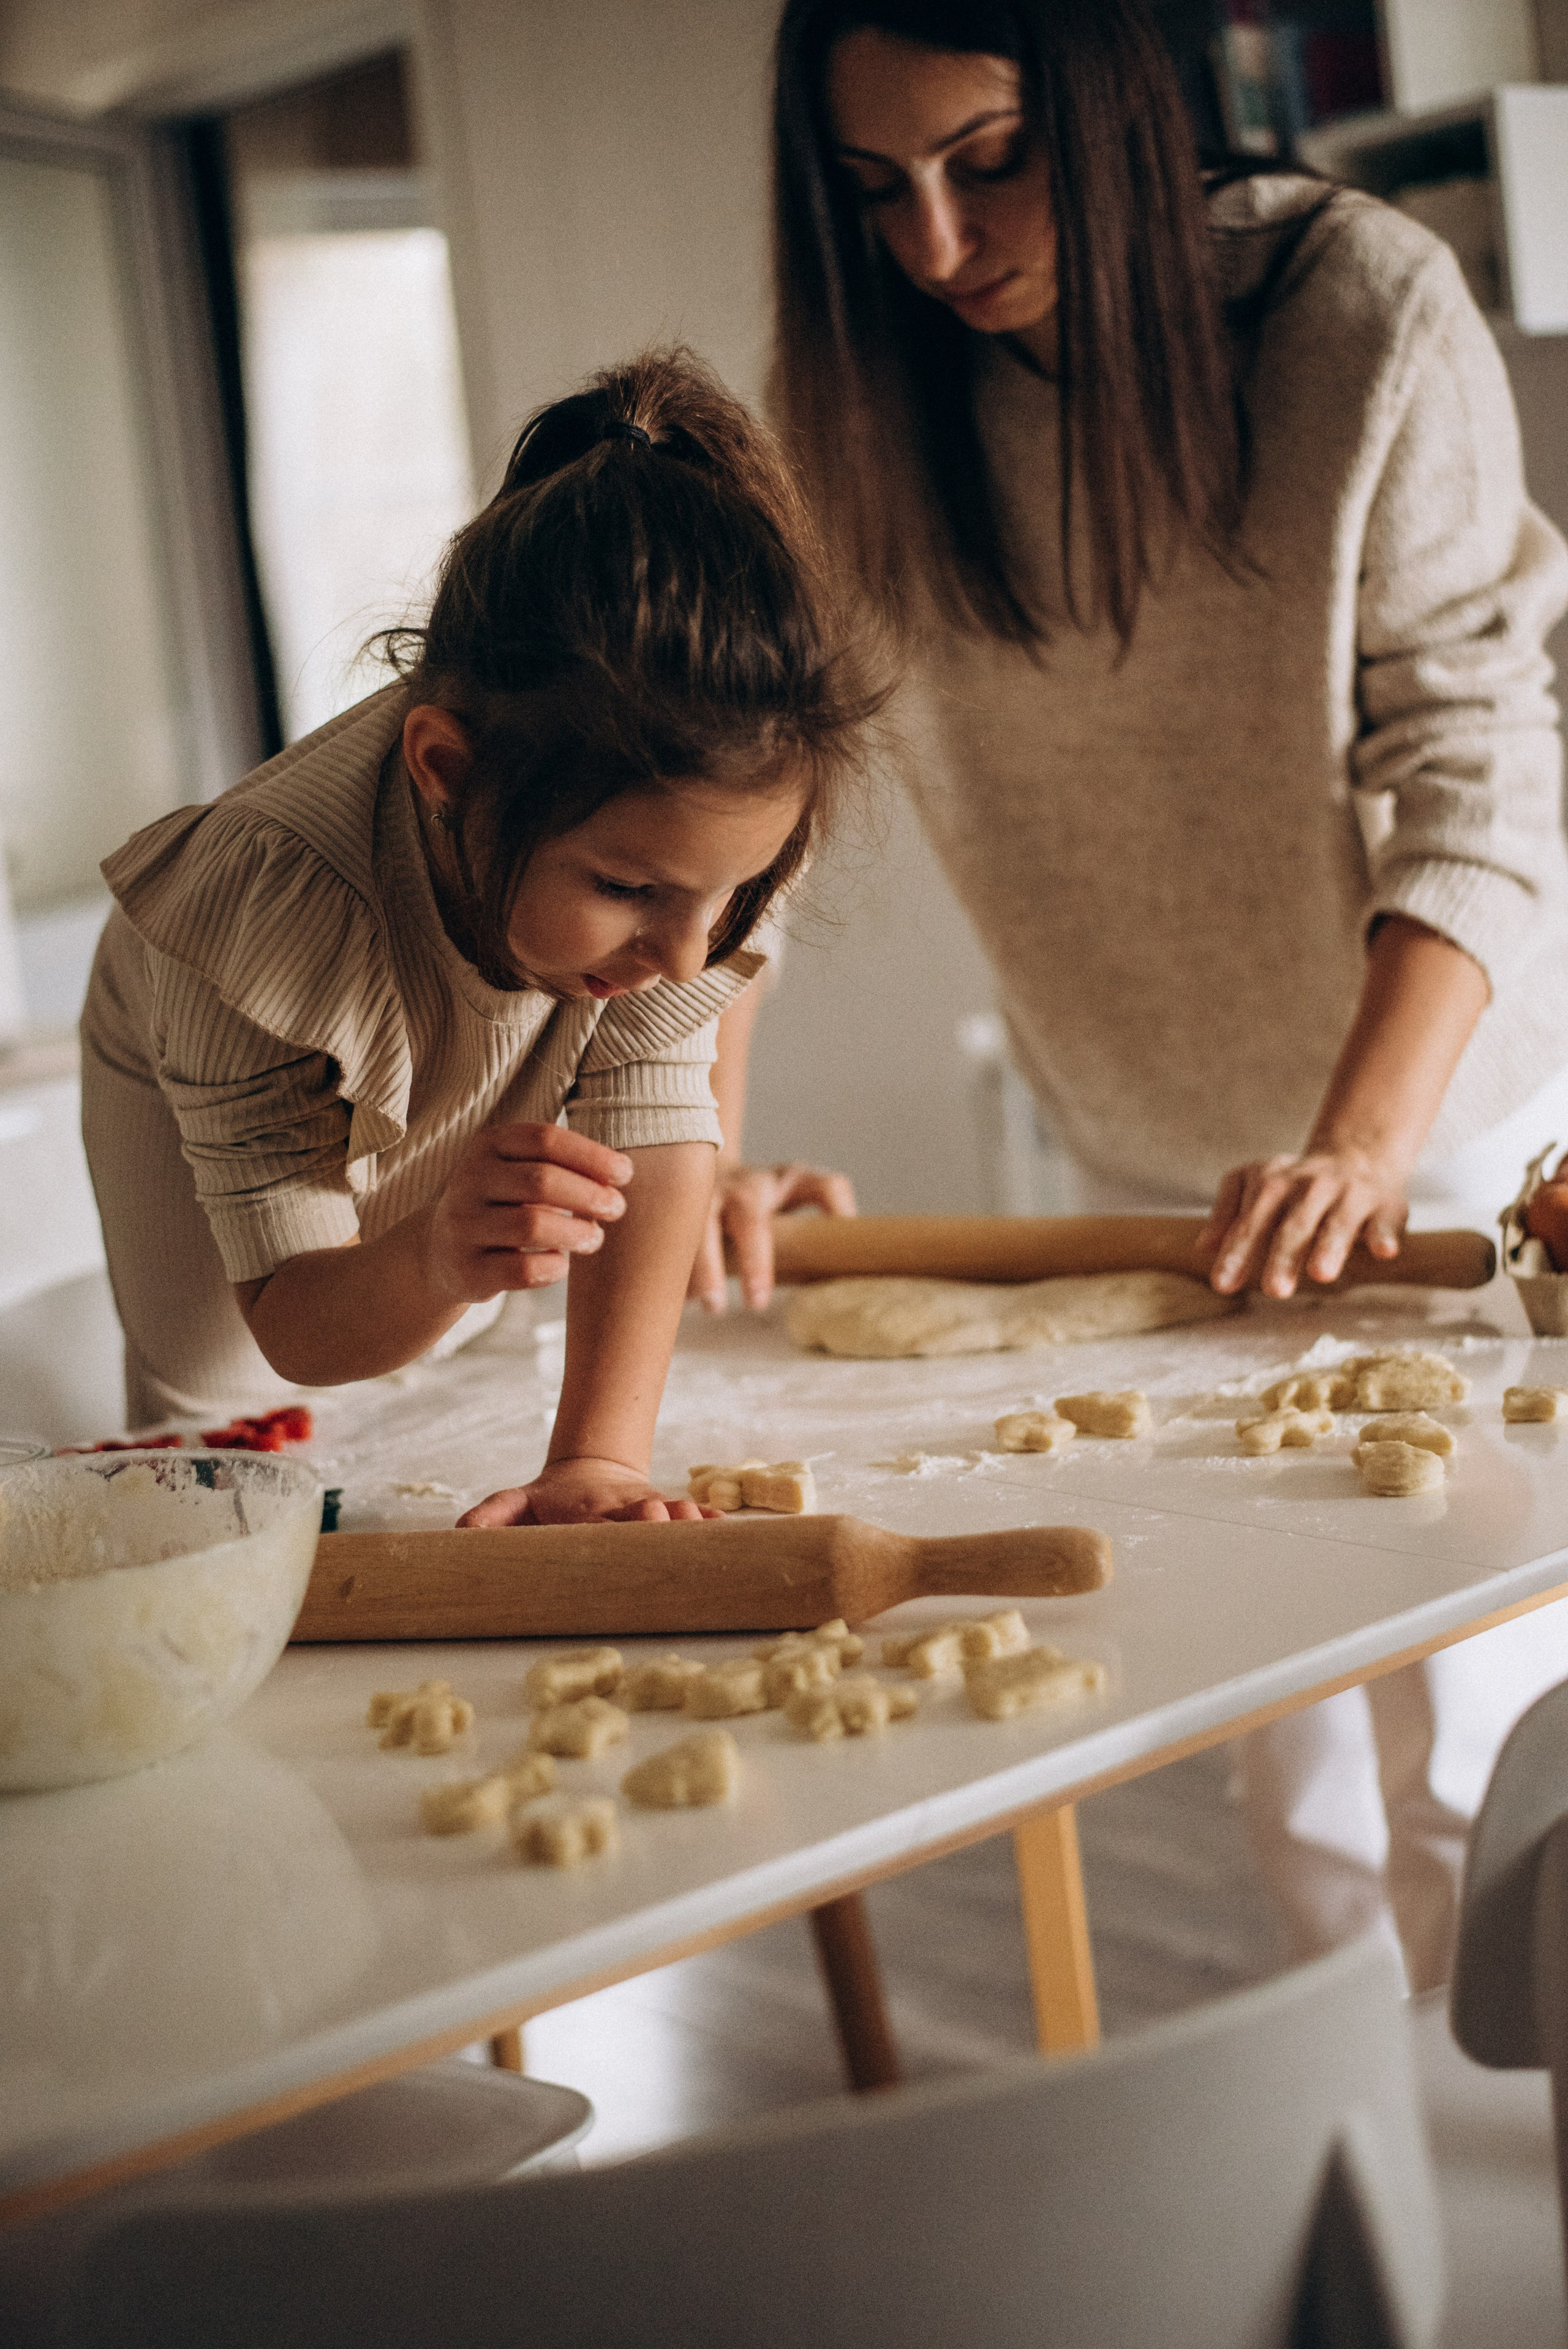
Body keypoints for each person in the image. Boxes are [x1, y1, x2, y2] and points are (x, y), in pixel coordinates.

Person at [763, 0, 1568, 1986]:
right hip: (1149, 1122)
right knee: (1273, 1730)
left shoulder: (1356, 312)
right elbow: (746, 791)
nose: (940, 247)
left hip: (1433, 1102)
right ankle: (1338, 2159)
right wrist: (692, 1128)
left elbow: (1481, 759)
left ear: (1119, 107)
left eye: (993, 154)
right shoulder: (867, 398)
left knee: (1471, 1726)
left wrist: (1365, 1142)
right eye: (877, 192)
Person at [80, 349, 879, 1527]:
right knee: (232, 1417)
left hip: (436, 1272)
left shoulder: (700, 847)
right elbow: (291, 1323)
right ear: (448, 775)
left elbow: (654, 1133)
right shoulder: (260, 902)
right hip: (251, 1343)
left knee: (466, 1362)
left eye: (725, 897)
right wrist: (428, 1262)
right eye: (625, 886)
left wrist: (598, 1461)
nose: (685, 955)